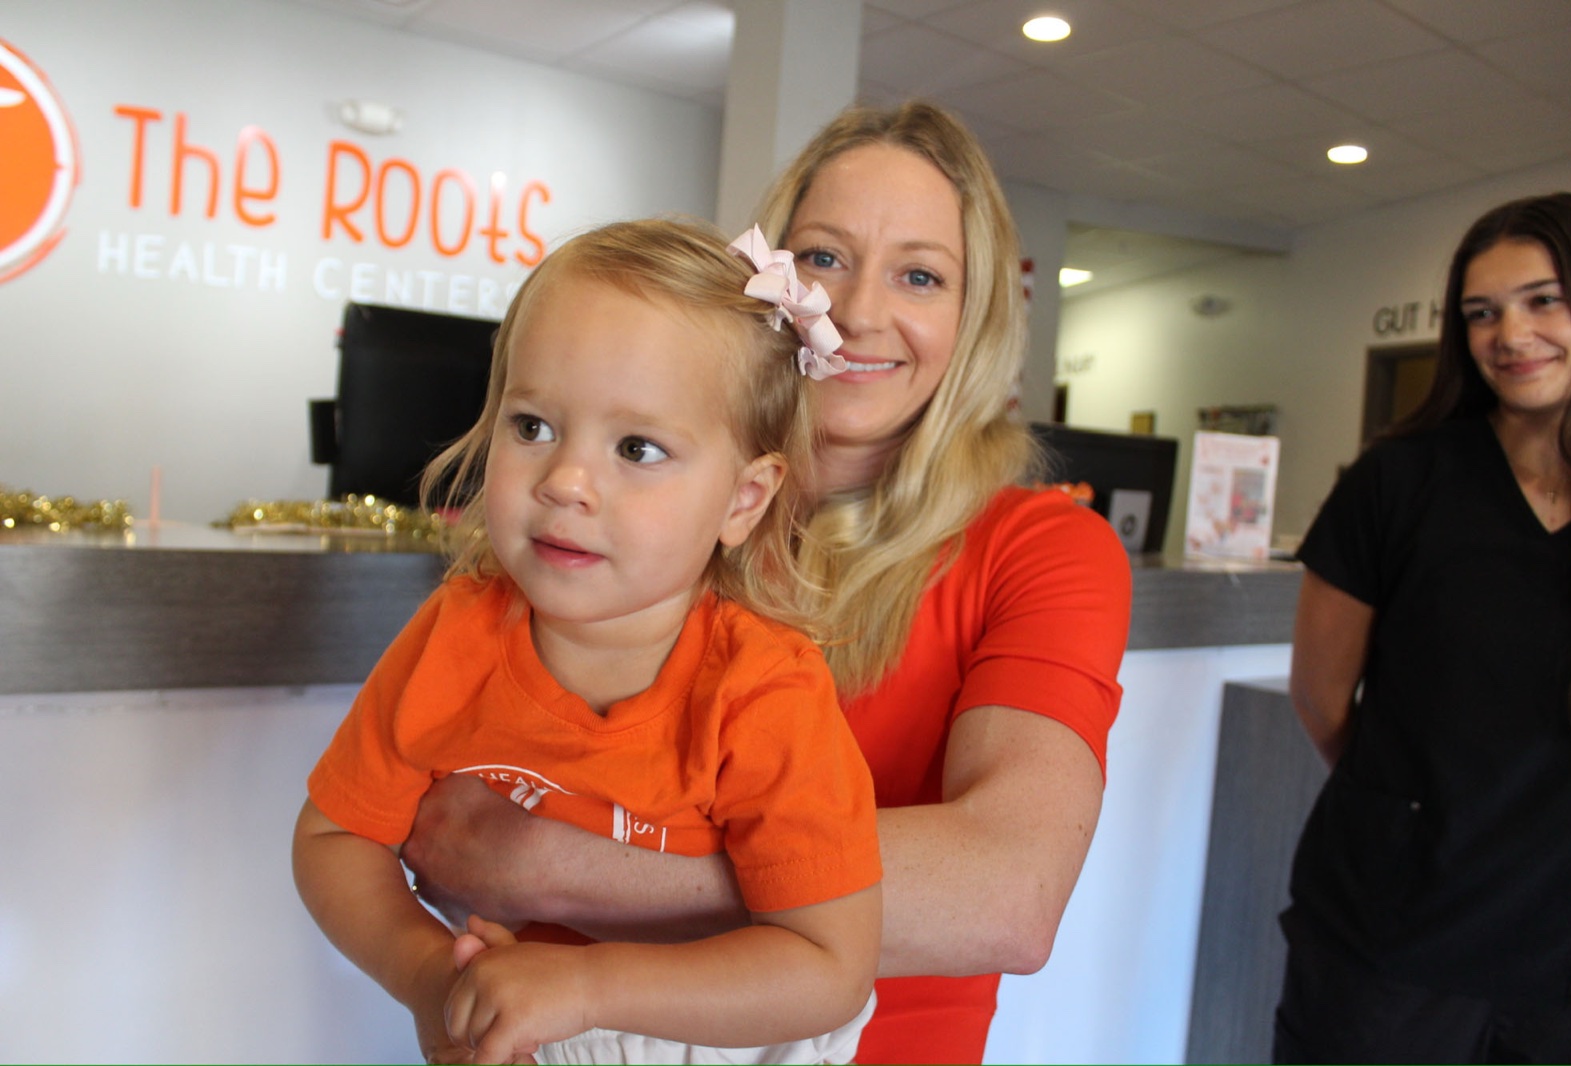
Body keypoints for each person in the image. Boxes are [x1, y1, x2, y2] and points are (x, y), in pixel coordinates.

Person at [400, 101, 1134, 1064]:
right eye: (823, 258)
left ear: (978, 314)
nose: (860, 310)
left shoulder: (1041, 549)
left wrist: (565, 867)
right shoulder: (640, 504)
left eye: (921, 274)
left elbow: (1007, 892)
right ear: (763, 277)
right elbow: (439, 806)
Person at [292, 217, 885, 1065]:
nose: (566, 481)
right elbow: (332, 838)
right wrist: (436, 981)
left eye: (637, 447)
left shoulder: (766, 691)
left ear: (744, 501)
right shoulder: (455, 633)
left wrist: (584, 988)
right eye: (532, 426)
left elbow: (831, 965)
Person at [1277, 192, 1571, 1062]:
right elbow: (1319, 696)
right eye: (1481, 313)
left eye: (1544, 300)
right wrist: (1417, 811)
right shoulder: (1400, 482)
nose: (1510, 334)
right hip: (1395, 939)